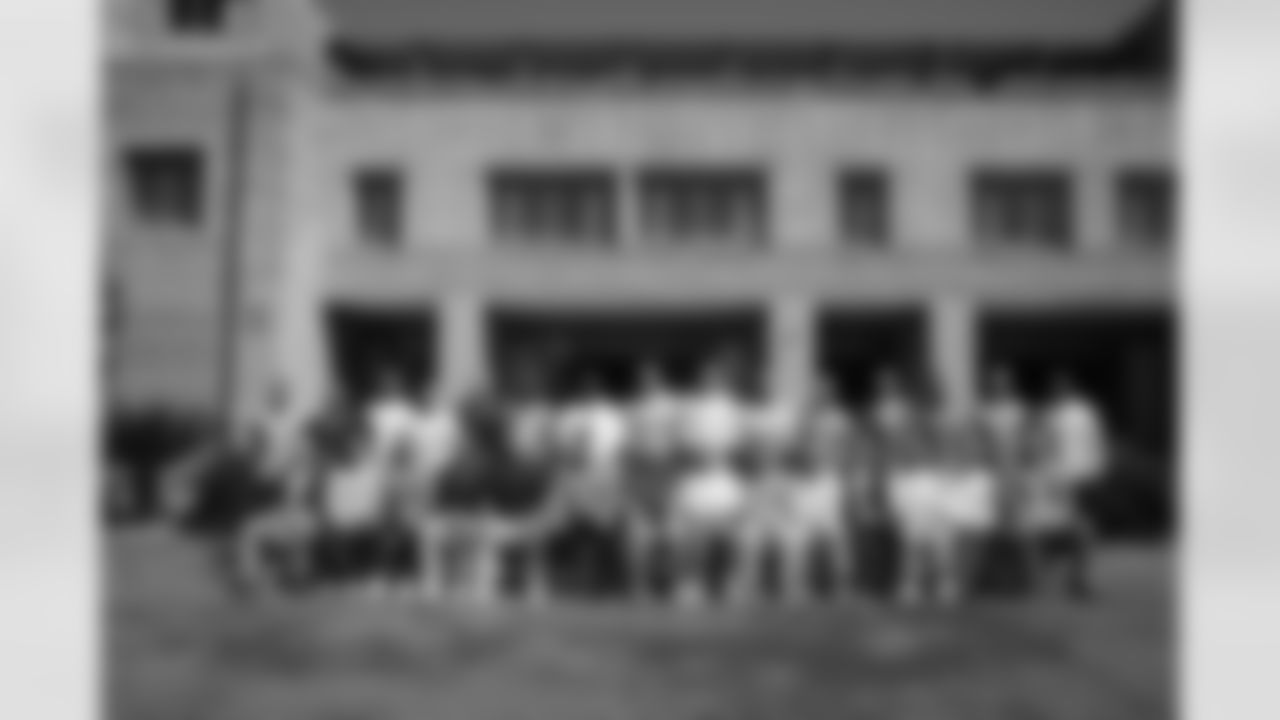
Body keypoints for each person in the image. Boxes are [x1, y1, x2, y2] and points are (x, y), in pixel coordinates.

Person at [1031, 373, 1109, 599]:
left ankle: (1078, 579)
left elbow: (1094, 441)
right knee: (1069, 529)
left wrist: (1097, 470)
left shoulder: (1078, 413)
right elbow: (1045, 447)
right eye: (1057, 387)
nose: (1059, 391)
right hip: (1065, 478)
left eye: (1061, 387)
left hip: (1079, 477)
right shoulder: (1054, 414)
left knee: (1080, 530)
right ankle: (1071, 580)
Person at [668, 453, 747, 608]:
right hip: (695, 529)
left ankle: (730, 583)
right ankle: (692, 584)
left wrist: (719, 524)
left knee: (736, 537)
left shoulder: (729, 481)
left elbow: (738, 513)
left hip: (725, 528)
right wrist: (699, 525)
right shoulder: (688, 483)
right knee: (688, 537)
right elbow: (681, 511)